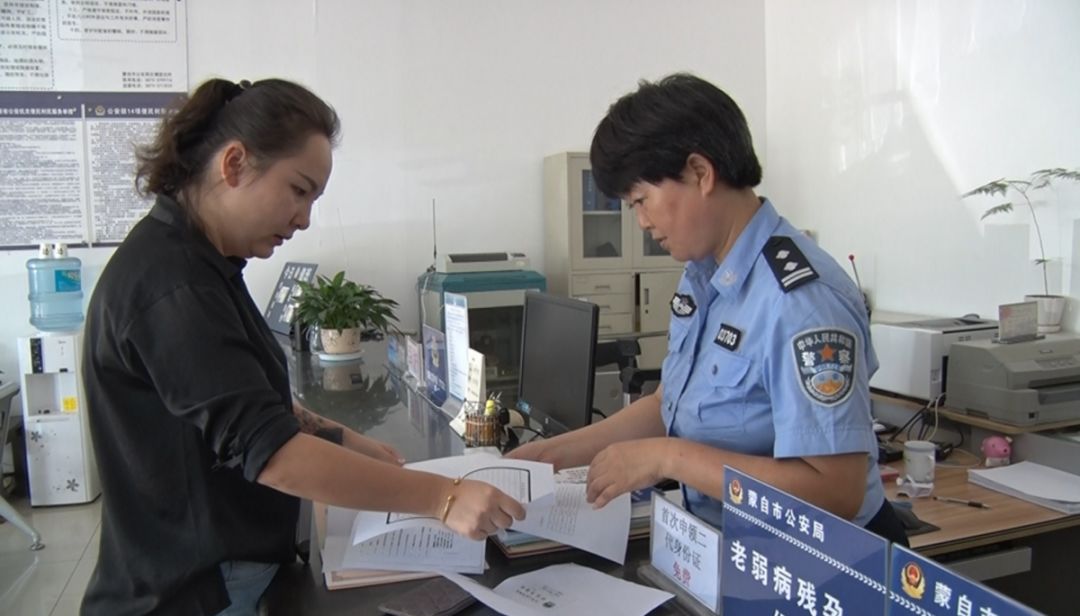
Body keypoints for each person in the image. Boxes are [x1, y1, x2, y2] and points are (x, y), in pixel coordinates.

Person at [81, 78, 525, 616]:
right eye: (298, 190)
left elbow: (240, 401)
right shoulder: (172, 285)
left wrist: (345, 438)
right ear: (235, 164)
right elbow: (271, 453)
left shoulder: (203, 264)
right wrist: (443, 498)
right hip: (194, 592)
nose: (305, 217)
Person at [508, 73, 906, 545]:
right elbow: (667, 406)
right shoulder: (703, 277)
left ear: (700, 172)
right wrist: (553, 455)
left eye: (643, 200)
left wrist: (668, 458)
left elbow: (836, 491)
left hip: (819, 566)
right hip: (729, 549)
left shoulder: (798, 300)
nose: (641, 223)